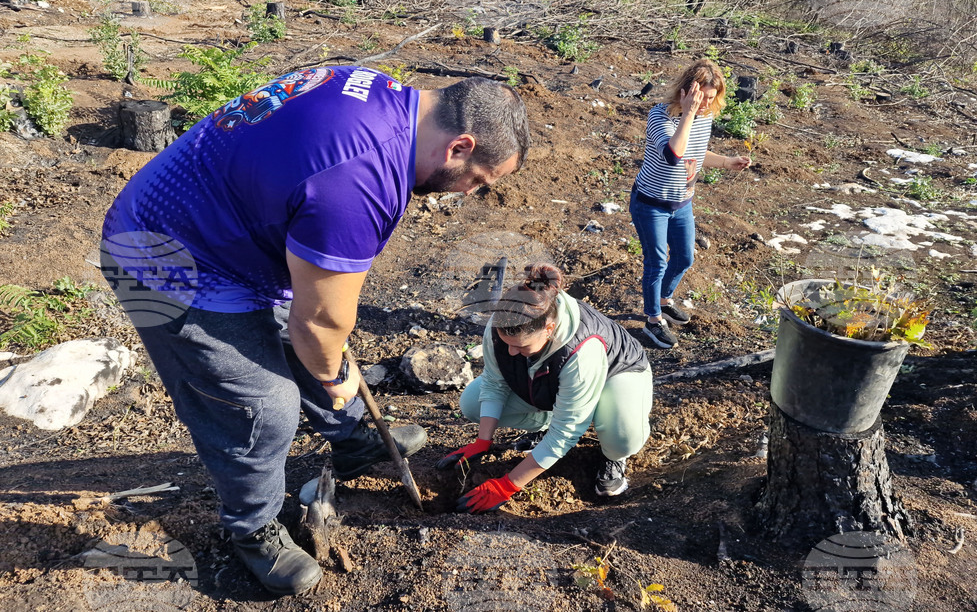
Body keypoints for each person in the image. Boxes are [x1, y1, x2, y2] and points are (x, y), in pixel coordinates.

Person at [101, 66, 530, 595]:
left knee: (311, 333)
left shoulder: (372, 88)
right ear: (459, 147)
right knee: (262, 405)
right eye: (478, 182)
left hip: (231, 233)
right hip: (163, 259)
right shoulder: (360, 177)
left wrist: (327, 345)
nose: (467, 192)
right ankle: (251, 528)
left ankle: (352, 440)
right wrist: (335, 374)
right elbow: (321, 323)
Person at [436, 264, 652, 513]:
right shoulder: (502, 324)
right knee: (473, 403)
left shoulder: (583, 352)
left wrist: (508, 485)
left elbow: (566, 433)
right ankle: (545, 422)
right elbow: (495, 383)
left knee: (622, 437)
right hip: (555, 375)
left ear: (549, 330)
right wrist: (482, 441)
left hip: (617, 373)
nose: (511, 352)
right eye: (507, 343)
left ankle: (614, 458)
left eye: (521, 347)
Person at [631, 58, 751, 349]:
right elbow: (674, 154)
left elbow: (694, 152)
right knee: (656, 262)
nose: (706, 104)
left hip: (682, 202)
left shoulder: (704, 118)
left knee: (684, 258)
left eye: (711, 98)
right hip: (651, 203)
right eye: (701, 97)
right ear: (685, 92)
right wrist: (686, 114)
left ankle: (664, 299)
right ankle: (652, 321)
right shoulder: (660, 117)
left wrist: (725, 161)